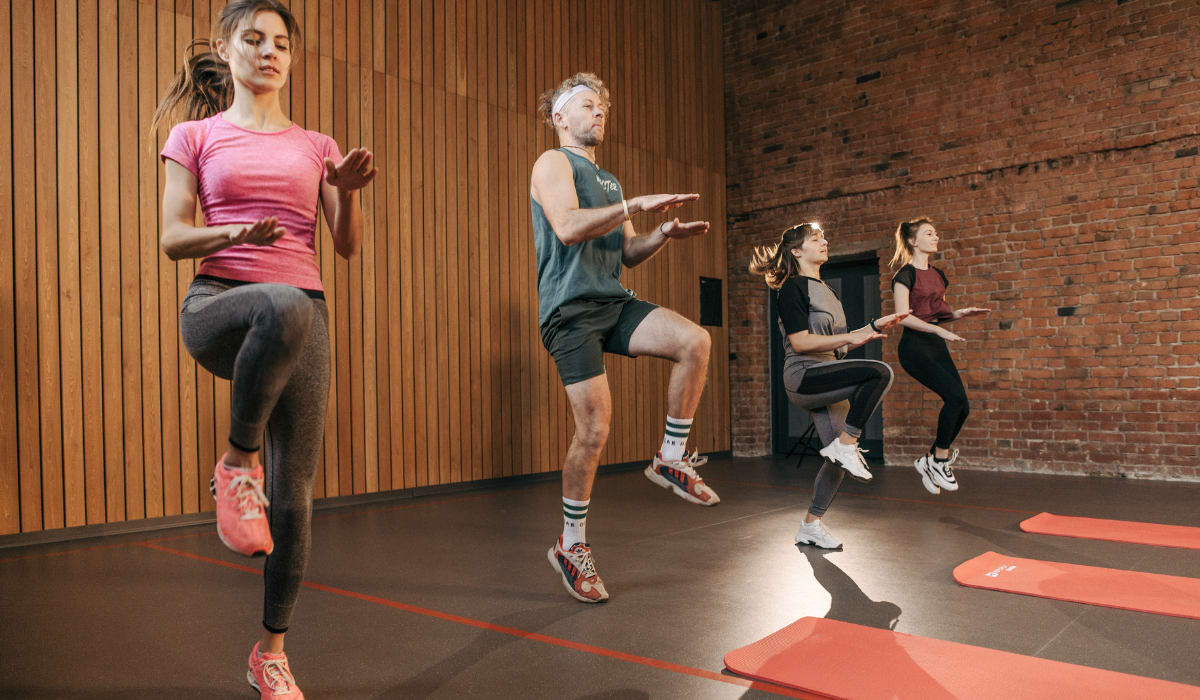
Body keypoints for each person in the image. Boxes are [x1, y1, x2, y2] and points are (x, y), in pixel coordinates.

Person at [155, 2, 376, 696]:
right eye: (253, 39)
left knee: (294, 502)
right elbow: (171, 236)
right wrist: (236, 236)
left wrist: (344, 193)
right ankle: (236, 460)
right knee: (279, 302)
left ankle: (270, 652)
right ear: (227, 48)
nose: (269, 52)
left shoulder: (316, 145)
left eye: (282, 43)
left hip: (305, 318)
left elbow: (345, 246)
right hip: (219, 305)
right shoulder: (195, 135)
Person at [529, 73, 718, 603]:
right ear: (560, 118)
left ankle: (671, 457)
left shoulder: (608, 180)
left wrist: (662, 234)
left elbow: (627, 253)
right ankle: (571, 546)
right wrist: (635, 206)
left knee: (695, 341)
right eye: (589, 105)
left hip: (612, 302)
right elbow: (567, 226)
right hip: (570, 312)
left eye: (604, 108)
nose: (600, 113)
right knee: (594, 430)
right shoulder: (552, 163)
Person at [749, 222, 905, 549]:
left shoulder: (829, 292)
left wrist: (874, 325)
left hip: (829, 374)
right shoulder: (792, 289)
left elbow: (839, 349)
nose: (825, 242)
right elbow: (802, 342)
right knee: (879, 373)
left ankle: (811, 524)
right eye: (816, 239)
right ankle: (846, 445)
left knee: (836, 463)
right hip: (804, 376)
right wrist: (849, 336)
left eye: (823, 238)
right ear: (796, 251)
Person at [889, 217, 990, 495]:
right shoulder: (904, 275)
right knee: (954, 398)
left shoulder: (939, 275)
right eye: (929, 233)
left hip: (935, 343)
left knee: (963, 406)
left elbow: (938, 314)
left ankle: (930, 459)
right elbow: (902, 318)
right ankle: (939, 459)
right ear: (913, 241)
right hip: (914, 347)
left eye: (936, 233)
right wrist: (940, 332)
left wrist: (960, 314)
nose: (936, 237)